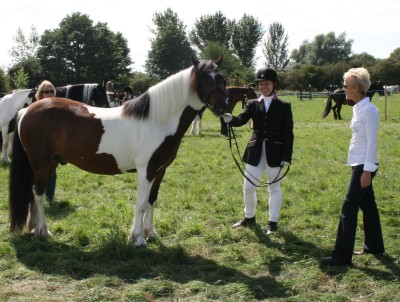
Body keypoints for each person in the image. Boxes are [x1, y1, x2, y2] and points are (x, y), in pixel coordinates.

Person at [320, 67, 385, 266]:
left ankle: (341, 255)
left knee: (349, 207)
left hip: (364, 166)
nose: (343, 89)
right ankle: (374, 246)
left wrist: (366, 171)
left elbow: (372, 143)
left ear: (356, 88)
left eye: (346, 85)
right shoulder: (359, 108)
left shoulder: (369, 110)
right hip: (358, 163)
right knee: (368, 205)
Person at [223, 67, 294, 234]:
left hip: (275, 152)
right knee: (248, 187)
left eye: (267, 83)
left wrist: (287, 156)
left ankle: (273, 223)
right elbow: (241, 120)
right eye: (260, 84)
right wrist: (230, 118)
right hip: (255, 151)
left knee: (274, 188)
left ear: (274, 84)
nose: (263, 87)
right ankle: (249, 217)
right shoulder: (252, 104)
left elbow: (288, 134)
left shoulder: (284, 106)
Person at [35, 80, 57, 203]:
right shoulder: (35, 110)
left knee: (52, 170)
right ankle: (36, 195)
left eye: (51, 91)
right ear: (40, 94)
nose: (49, 94)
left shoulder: (57, 109)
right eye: (46, 92)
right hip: (38, 146)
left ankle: (50, 196)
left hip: (53, 146)